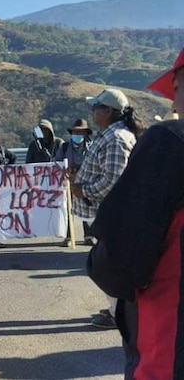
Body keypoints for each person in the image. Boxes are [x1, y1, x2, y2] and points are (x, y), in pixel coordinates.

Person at [87, 58, 180, 378]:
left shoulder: (169, 142)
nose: (173, 100)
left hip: (168, 343)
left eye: (177, 88)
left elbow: (120, 257)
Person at [71, 88, 144, 330]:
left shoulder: (116, 139)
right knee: (108, 263)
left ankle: (118, 313)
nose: (92, 111)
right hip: (110, 212)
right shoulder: (111, 135)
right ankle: (116, 308)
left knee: (107, 265)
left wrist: (83, 190)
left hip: (114, 213)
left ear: (108, 111)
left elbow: (113, 181)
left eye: (96, 107)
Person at [54, 118, 94, 247]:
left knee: (87, 209)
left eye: (80, 132)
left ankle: (89, 235)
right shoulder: (64, 147)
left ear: (85, 134)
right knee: (68, 210)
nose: (77, 135)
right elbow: (57, 163)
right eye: (75, 132)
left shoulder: (93, 147)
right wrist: (66, 170)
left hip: (86, 184)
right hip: (68, 183)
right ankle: (69, 237)